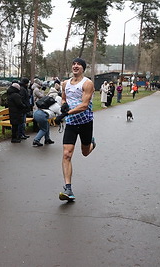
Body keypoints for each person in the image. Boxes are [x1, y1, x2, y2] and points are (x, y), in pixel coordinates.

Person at [57, 58, 96, 201]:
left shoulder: (87, 83)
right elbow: (63, 99)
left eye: (78, 64)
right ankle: (68, 189)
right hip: (71, 124)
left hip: (85, 122)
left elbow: (84, 105)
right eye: (73, 63)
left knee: (85, 152)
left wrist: (65, 113)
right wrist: (63, 106)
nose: (75, 66)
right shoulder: (65, 83)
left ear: (83, 68)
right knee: (67, 154)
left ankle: (92, 144)